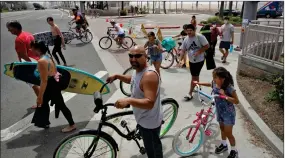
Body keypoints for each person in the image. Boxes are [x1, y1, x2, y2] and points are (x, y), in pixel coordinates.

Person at [106, 45, 163, 158]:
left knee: (153, 150)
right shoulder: (138, 70)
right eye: (131, 56)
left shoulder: (149, 75)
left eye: (137, 56)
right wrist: (117, 76)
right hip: (142, 117)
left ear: (146, 57)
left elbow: (149, 103)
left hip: (149, 122)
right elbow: (133, 81)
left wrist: (128, 100)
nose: (133, 59)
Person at [30, 41, 76, 132]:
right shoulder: (48, 57)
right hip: (54, 83)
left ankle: (72, 124)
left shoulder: (42, 61)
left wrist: (39, 96)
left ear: (38, 49)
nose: (31, 50)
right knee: (43, 103)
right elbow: (55, 71)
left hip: (51, 86)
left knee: (61, 105)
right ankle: (43, 122)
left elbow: (44, 81)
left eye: (32, 48)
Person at [193, 67, 239, 158]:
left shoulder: (229, 87)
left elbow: (236, 101)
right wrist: (199, 83)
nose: (213, 79)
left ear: (222, 79)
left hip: (228, 114)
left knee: (228, 133)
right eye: (213, 77)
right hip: (219, 110)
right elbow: (210, 84)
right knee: (222, 129)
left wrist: (225, 95)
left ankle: (234, 150)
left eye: (215, 77)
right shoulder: (215, 83)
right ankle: (224, 144)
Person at [6, 20, 40, 109]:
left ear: (16, 28)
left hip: (29, 64)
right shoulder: (28, 34)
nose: (9, 31)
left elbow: (23, 55)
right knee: (38, 82)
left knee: (33, 84)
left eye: (10, 28)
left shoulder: (19, 39)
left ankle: (41, 102)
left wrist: (30, 65)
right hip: (36, 60)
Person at [180, 24, 209, 101]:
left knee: (193, 77)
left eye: (190, 30)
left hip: (199, 60)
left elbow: (207, 46)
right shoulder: (186, 39)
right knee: (195, 75)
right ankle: (198, 86)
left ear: (194, 30)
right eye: (187, 30)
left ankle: (190, 93)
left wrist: (199, 51)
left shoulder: (199, 37)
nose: (189, 32)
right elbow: (183, 50)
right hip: (191, 60)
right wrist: (180, 60)